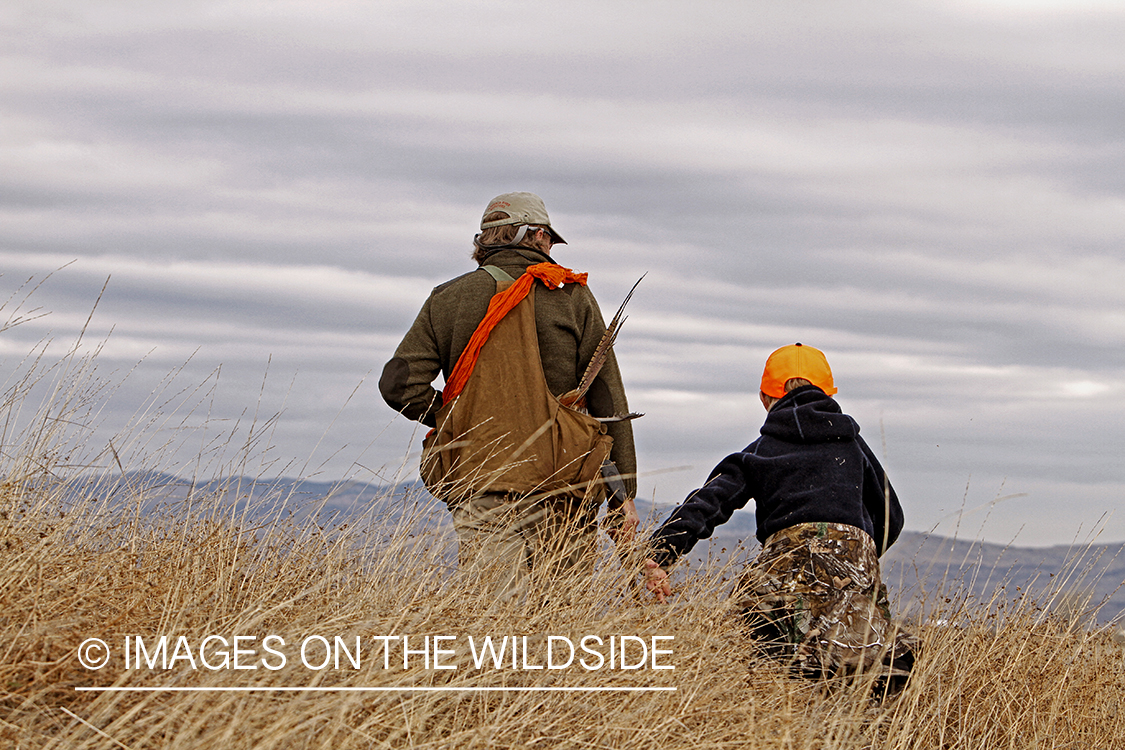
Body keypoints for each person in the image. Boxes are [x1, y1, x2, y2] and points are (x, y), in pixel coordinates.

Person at [380, 191, 639, 604]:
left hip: (483, 479)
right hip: (564, 486)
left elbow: (398, 384)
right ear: (536, 236)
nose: (552, 248)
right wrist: (622, 494)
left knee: (492, 621)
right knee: (560, 621)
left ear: (486, 241)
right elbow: (608, 400)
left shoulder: (449, 298)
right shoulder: (572, 297)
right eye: (550, 239)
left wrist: (459, 421)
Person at [643, 343, 916, 681]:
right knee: (867, 654)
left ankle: (781, 707)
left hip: (786, 569)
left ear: (764, 398)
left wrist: (660, 553)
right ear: (830, 393)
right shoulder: (853, 446)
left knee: (753, 646)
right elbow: (893, 515)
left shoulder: (761, 450)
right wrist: (855, 558)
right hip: (855, 566)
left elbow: (709, 501)